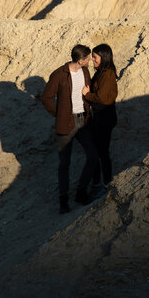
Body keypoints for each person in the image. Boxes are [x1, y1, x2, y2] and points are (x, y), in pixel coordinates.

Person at [42, 44, 98, 214]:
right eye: (88, 58)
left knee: (93, 156)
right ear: (80, 60)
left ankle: (80, 192)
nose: (90, 60)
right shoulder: (59, 75)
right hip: (65, 123)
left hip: (83, 121)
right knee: (64, 163)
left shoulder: (85, 71)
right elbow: (46, 98)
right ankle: (63, 201)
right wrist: (58, 114)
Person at [82, 43, 118, 198]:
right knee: (98, 152)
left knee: (102, 153)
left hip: (105, 118)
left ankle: (106, 185)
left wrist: (86, 95)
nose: (93, 60)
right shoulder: (101, 72)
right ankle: (99, 184)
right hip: (100, 118)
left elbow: (102, 98)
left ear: (103, 58)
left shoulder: (108, 74)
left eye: (95, 57)